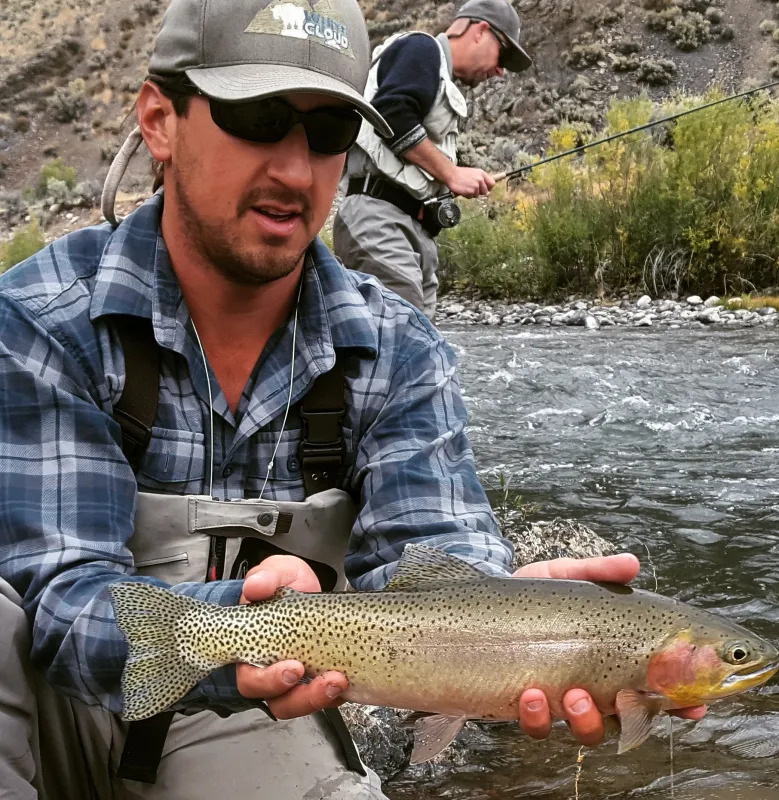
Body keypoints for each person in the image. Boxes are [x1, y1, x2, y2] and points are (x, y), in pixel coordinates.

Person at [0, 0, 706, 797]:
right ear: (161, 120)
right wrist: (231, 617)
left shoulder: (399, 348)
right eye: (258, 117)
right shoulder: (38, 317)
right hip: (34, 707)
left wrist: (511, 626)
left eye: (329, 132)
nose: (297, 172)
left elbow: (433, 549)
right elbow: (58, 601)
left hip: (234, 713)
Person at [333, 0, 532, 321]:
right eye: (503, 54)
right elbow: (391, 114)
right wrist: (452, 174)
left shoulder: (435, 74)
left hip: (410, 231)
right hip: (381, 223)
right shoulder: (421, 49)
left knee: (416, 351)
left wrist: (454, 178)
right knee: (403, 342)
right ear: (480, 31)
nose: (500, 70)